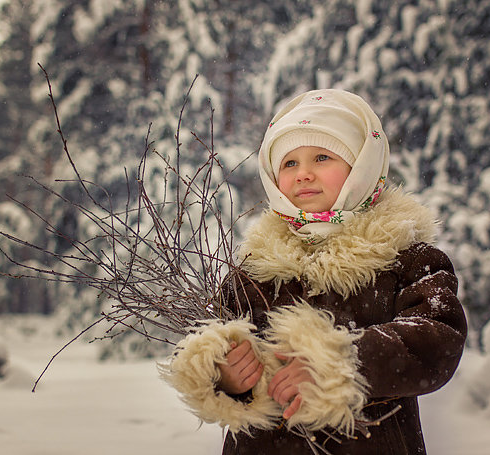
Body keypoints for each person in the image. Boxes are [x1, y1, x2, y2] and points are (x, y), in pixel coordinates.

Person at [160, 89, 468, 454]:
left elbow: (436, 340)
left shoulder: (407, 259)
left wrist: (340, 362)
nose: (303, 174)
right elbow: (216, 336)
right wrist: (222, 374)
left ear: (362, 168)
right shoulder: (255, 270)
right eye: (290, 163)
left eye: (322, 157)